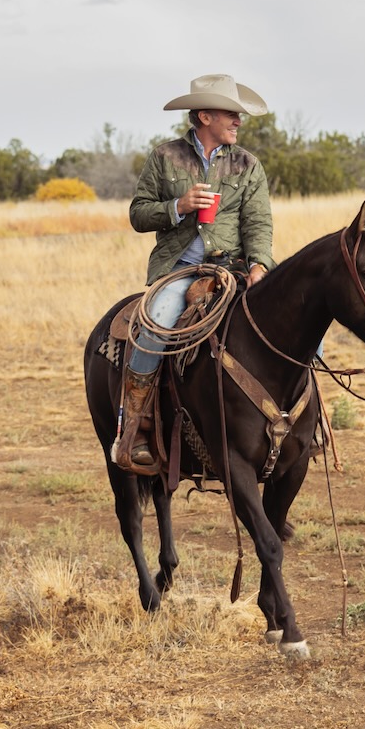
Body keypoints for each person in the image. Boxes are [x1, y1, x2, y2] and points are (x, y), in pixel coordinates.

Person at [113, 74, 276, 470]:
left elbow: (258, 223)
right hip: (180, 270)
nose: (238, 122)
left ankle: (303, 423)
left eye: (238, 116)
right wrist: (178, 207)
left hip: (234, 268)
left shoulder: (248, 164)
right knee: (155, 327)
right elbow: (138, 213)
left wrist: (258, 265)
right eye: (231, 115)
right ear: (205, 116)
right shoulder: (164, 157)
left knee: (305, 332)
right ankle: (137, 425)